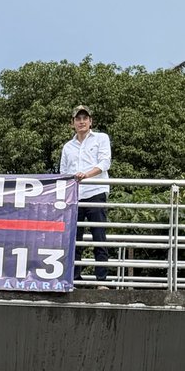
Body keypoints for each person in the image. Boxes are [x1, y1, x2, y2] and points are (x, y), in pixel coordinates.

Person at [59, 104, 111, 287]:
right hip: (75, 196)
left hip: (96, 192)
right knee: (75, 238)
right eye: (78, 119)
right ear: (72, 123)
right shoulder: (68, 147)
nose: (81, 121)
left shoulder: (101, 138)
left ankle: (102, 281)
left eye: (85, 118)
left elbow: (105, 162)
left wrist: (86, 175)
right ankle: (75, 279)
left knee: (99, 236)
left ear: (91, 121)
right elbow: (63, 172)